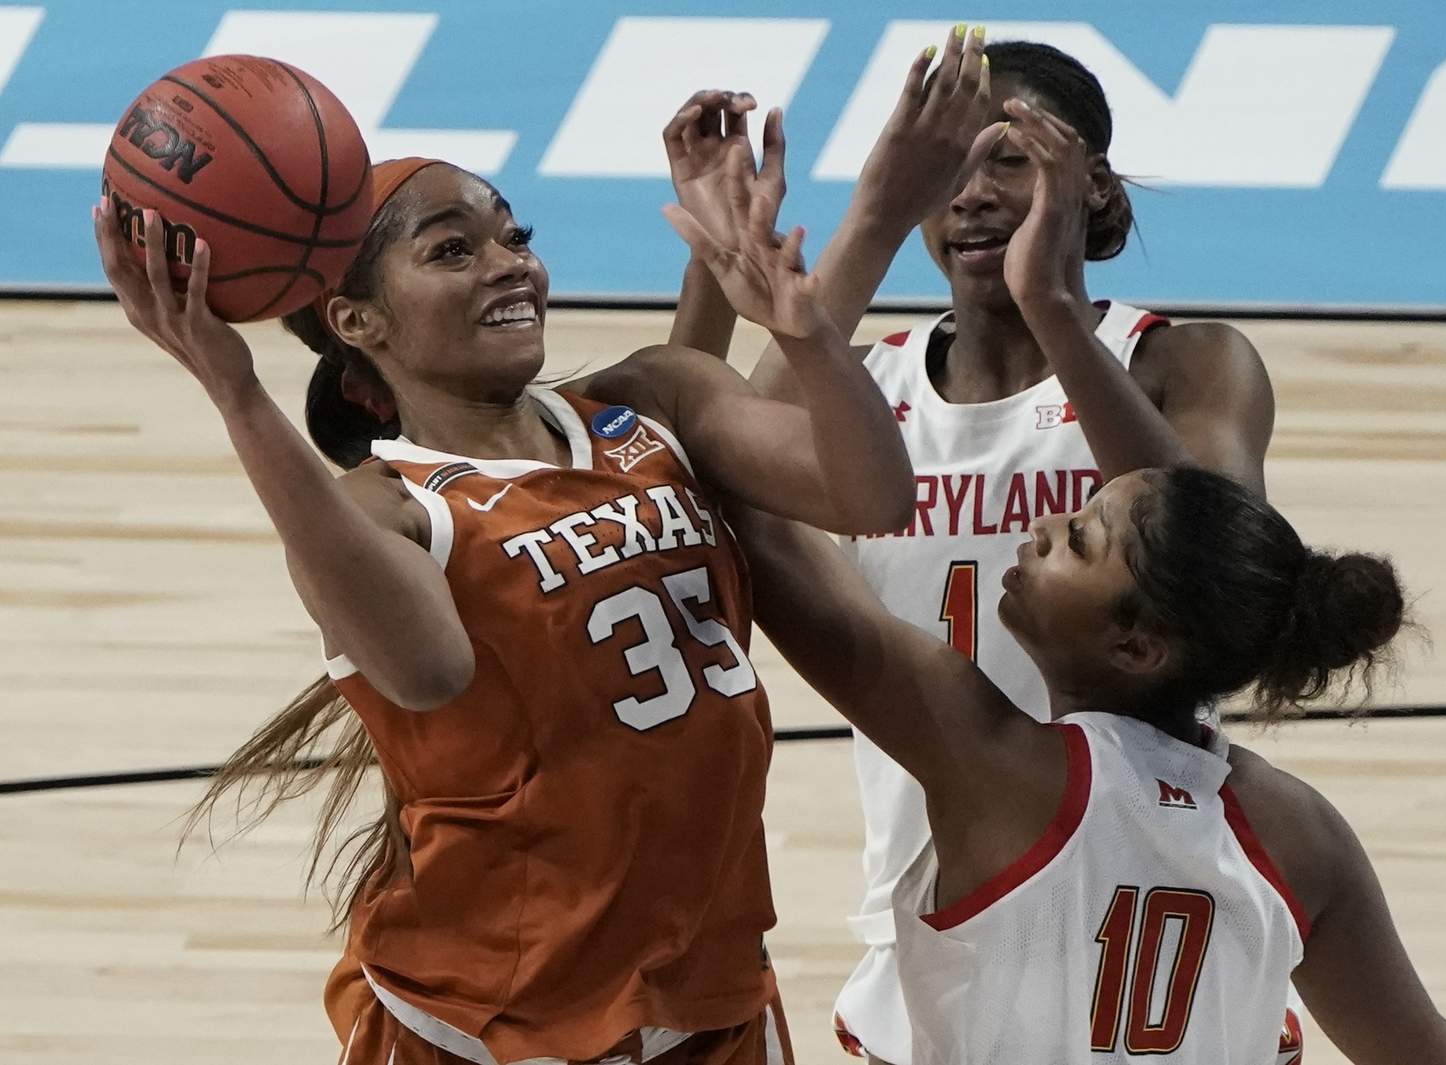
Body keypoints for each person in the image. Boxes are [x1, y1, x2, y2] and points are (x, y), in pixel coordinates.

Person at [93, 108, 915, 1064]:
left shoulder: (650, 402)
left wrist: (799, 321)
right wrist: (236, 392)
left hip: (712, 993)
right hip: (493, 1028)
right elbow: (429, 672)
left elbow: (872, 494)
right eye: (454, 250)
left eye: (514, 235)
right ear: (357, 321)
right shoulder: (384, 511)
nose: (510, 263)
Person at [677, 30, 1275, 1060]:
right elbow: (721, 475)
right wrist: (818, 229)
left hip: (1146, 868)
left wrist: (1054, 309)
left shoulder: (1184, 360)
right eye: (942, 163)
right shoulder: (862, 392)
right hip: (934, 874)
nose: (971, 192)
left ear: (1092, 183)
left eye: (1008, 156)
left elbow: (1220, 559)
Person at [731, 468, 1446, 1065]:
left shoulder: (994, 762)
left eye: (1079, 541)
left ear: (1137, 647)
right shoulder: (1302, 829)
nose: (1044, 528)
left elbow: (766, 540)